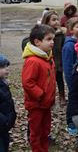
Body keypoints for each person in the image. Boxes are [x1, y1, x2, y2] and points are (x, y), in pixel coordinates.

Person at [21, 24, 56, 152]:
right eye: (48, 39)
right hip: (36, 105)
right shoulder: (33, 61)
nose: (52, 42)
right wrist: (41, 95)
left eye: (53, 39)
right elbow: (28, 82)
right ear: (37, 42)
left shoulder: (47, 57)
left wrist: (50, 97)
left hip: (46, 103)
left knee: (45, 129)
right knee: (36, 132)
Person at [62, 17, 78, 136]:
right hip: (74, 79)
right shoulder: (69, 46)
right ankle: (71, 123)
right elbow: (67, 67)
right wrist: (71, 83)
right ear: (71, 30)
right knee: (73, 101)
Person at [41, 10, 67, 106]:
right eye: (53, 20)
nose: (56, 21)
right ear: (47, 22)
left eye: (57, 19)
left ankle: (62, 96)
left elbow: (64, 47)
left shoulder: (60, 34)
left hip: (58, 60)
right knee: (47, 81)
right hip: (47, 61)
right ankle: (48, 97)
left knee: (59, 79)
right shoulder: (42, 34)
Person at [0, 54, 16, 152]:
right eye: (2, 67)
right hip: (2, 124)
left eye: (7, 66)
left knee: (5, 144)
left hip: (4, 127)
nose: (6, 69)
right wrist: (4, 121)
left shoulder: (3, 84)